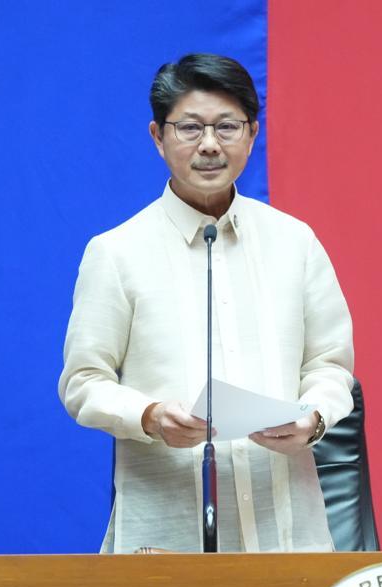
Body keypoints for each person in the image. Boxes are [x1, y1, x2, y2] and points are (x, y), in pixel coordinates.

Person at [58, 53, 354, 553]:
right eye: (190, 128)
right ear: (158, 136)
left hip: (287, 531)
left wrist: (314, 417)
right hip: (167, 533)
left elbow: (329, 364)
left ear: (252, 134)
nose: (210, 144)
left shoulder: (294, 242)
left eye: (227, 127)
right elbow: (83, 382)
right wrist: (150, 415)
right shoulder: (117, 253)